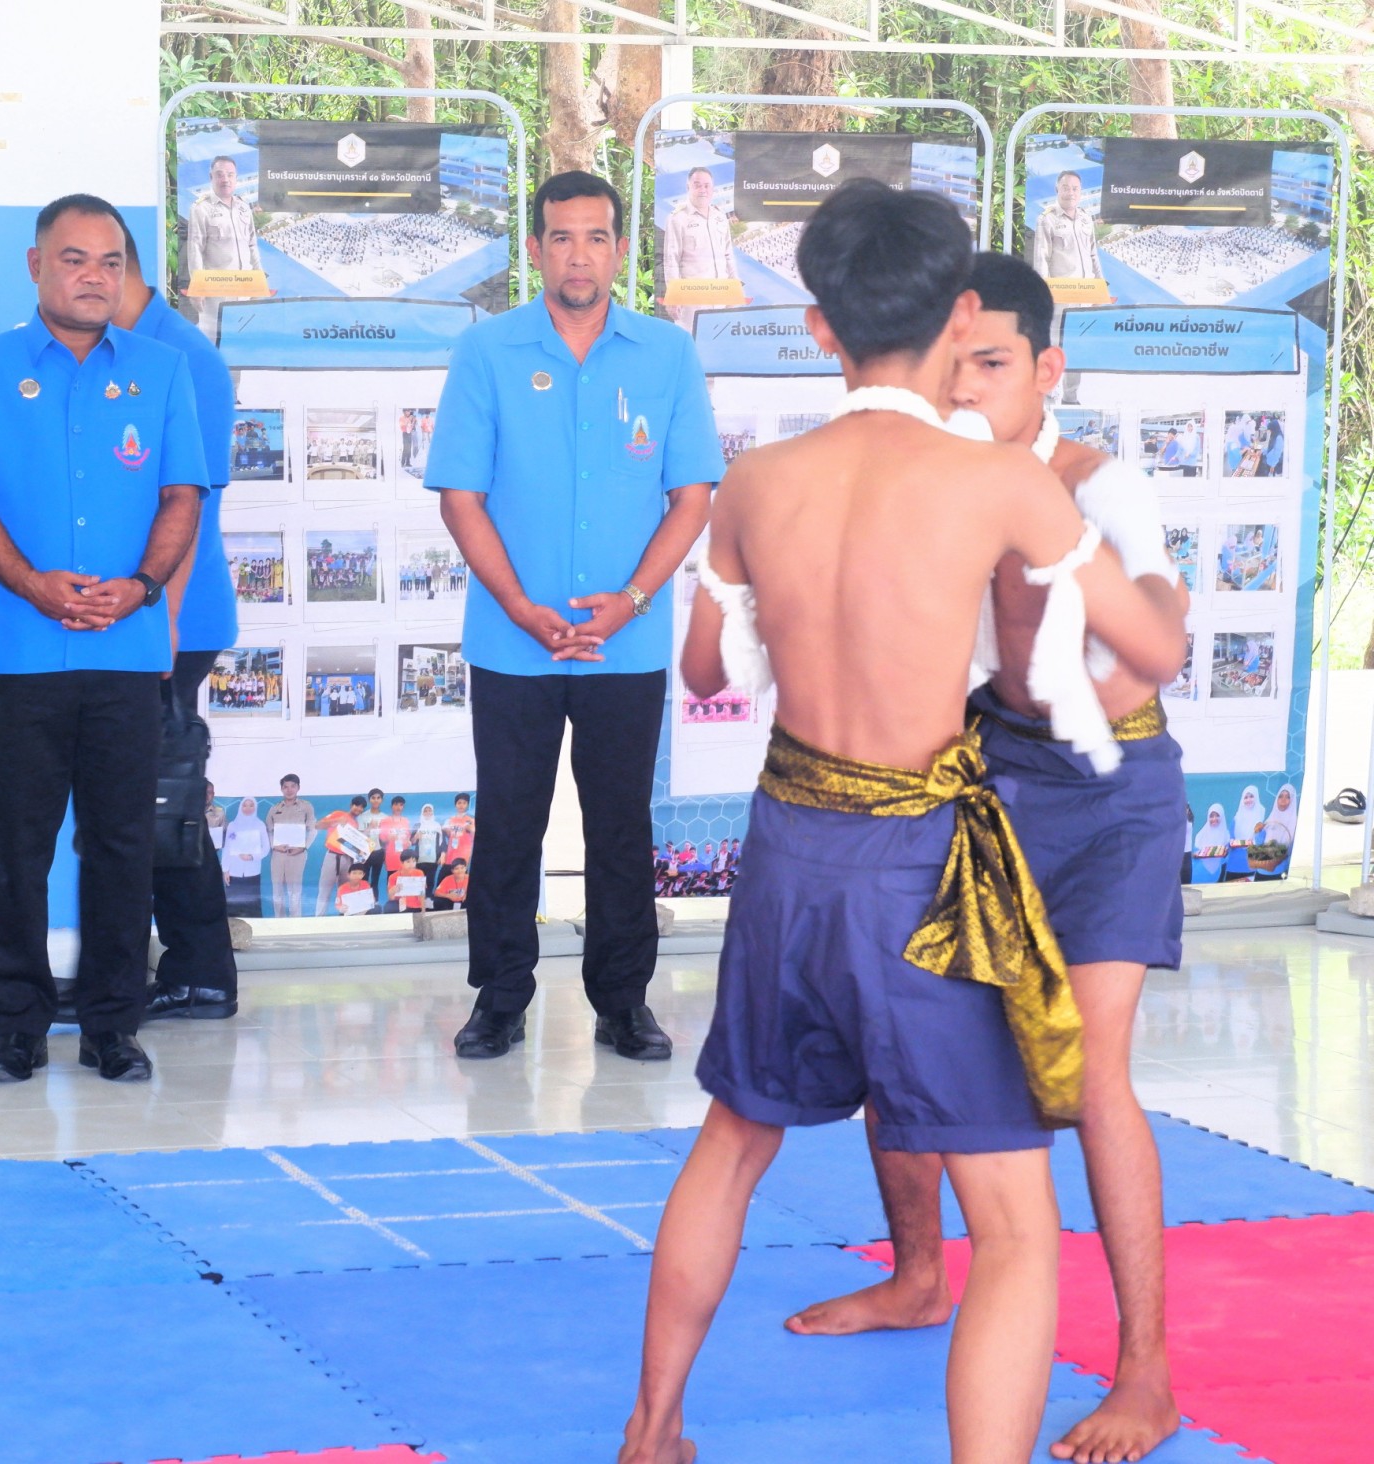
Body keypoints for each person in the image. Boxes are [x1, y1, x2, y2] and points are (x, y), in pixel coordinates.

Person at [620, 180, 1185, 1464]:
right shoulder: (998, 483)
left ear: (818, 326)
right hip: (922, 868)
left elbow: (703, 678)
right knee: (1015, 1223)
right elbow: (1152, 646)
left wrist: (751, 611)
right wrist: (1151, 581)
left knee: (732, 1142)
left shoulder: (753, 481)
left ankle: (651, 1431)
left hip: (786, 845)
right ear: (960, 315)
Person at [785, 251, 1193, 1464]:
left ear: (1047, 368)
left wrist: (1093, 696)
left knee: (1092, 1074)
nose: (968, 388)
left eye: (995, 365)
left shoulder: (1097, 483)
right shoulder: (933, 477)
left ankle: (1145, 1373)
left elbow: (1162, 615)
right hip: (985, 771)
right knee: (898, 1031)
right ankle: (917, 1276)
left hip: (1113, 793)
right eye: (954, 364)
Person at [424, 170, 723, 1062]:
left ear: (620, 250)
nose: (579, 255)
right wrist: (519, 606)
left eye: (596, 237)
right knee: (509, 823)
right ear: (536, 249)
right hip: (510, 642)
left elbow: (692, 497)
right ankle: (499, 999)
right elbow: (461, 496)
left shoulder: (667, 354)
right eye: (561, 237)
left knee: (621, 826)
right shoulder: (487, 351)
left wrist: (632, 601)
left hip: (624, 644)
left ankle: (623, 1002)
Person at [0, 192, 205, 1085]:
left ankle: (112, 1025)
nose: (94, 277)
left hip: (127, 649)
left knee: (123, 845)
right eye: (75, 259)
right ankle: (15, 1026)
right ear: (37, 266)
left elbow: (182, 496)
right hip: (25, 648)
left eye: (110, 262)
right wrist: (32, 585)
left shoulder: (164, 372)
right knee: (20, 844)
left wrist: (142, 589)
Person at [111, 228, 241, 1022]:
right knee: (136, 796)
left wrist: (161, 616)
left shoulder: (185, 356)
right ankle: (147, 968)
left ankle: (201, 972)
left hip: (176, 618)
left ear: (120, 268)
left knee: (161, 798)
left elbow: (188, 504)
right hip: (134, 610)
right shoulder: (116, 350)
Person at [660, 167, 735, 324]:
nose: (703, 190)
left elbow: (728, 255)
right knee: (691, 338)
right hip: (692, 303)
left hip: (721, 298)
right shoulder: (677, 218)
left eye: (707, 186)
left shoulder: (720, 217)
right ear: (688, 187)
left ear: (712, 188)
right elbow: (671, 260)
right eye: (697, 185)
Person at [186, 156, 261, 276]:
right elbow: (195, 250)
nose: (225, 179)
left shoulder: (244, 207)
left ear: (236, 178)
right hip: (218, 284)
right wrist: (198, 285)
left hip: (246, 282)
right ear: (211, 177)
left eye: (230, 175)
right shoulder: (201, 209)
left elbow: (252, 245)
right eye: (220, 175)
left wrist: (259, 277)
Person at [1030, 169, 1101, 280]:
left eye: (1075, 189)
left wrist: (1101, 284)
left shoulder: (1086, 218)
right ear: (1057, 189)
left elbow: (1093, 255)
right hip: (1063, 288)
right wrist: (1043, 289)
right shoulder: (1047, 219)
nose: (1071, 193)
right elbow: (1042, 260)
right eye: (1066, 188)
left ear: (1080, 191)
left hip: (1089, 287)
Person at [263, 774, 315, 918]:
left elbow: (313, 829)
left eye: (293, 786)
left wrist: (303, 846)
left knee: (295, 890)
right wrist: (274, 846)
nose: (289, 790)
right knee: (277, 890)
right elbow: (268, 831)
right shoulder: (274, 809)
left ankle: (295, 921)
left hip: (298, 854)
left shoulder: (306, 807)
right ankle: (279, 920)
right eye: (285, 787)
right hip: (278, 854)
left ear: (298, 787)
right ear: (281, 789)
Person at [317, 797, 370, 916]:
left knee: (345, 891)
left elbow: (355, 844)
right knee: (324, 890)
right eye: (357, 805)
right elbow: (318, 825)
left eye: (361, 807)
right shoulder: (338, 814)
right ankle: (319, 919)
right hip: (332, 855)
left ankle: (344, 917)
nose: (359, 809)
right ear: (351, 805)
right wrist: (336, 821)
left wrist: (361, 853)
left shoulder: (355, 824)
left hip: (347, 858)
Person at [221, 798, 268, 916]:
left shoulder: (260, 825)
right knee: (233, 905)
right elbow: (227, 848)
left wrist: (252, 857)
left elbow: (266, 848)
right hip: (234, 872)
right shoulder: (232, 826)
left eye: (251, 805)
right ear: (240, 807)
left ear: (255, 807)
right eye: (245, 805)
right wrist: (225, 870)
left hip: (252, 872)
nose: (248, 808)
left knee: (252, 905)